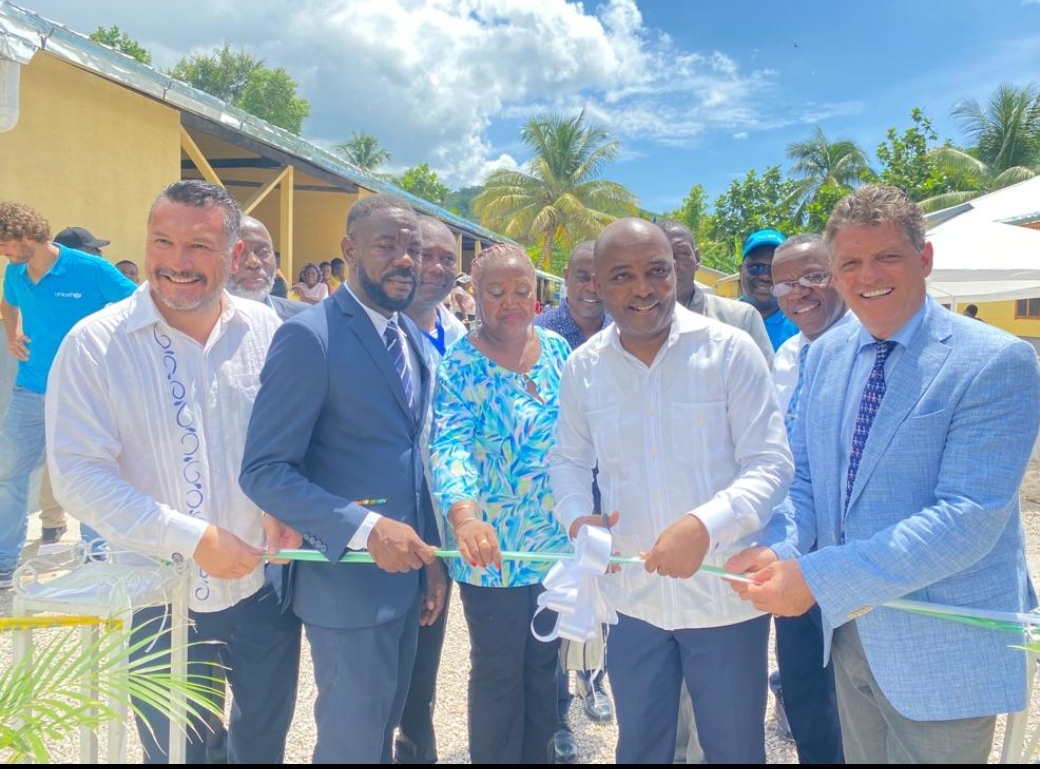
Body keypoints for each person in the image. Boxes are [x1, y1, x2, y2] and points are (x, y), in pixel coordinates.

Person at [726, 184, 1040, 764]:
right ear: (836, 273)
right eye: (850, 262)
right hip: (850, 638)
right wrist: (779, 547)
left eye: (887, 256)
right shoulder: (824, 354)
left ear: (925, 259)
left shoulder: (997, 361)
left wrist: (815, 578)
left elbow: (968, 519)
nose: (868, 275)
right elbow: (806, 480)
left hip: (943, 646)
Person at [45, 180, 301, 763]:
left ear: (235, 254)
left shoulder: (267, 333)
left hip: (262, 586)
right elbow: (78, 475)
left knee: (263, 745)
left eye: (199, 246)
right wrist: (193, 537)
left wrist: (284, 504)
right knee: (176, 752)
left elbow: (290, 441)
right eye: (162, 242)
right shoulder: (95, 344)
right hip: (156, 597)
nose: (176, 262)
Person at [549, 218, 793, 764]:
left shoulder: (729, 350)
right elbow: (567, 459)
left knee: (734, 750)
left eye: (657, 271)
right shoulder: (583, 367)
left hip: (724, 598)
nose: (643, 289)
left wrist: (706, 524)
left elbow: (771, 462)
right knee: (641, 748)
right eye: (622, 276)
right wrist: (577, 516)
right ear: (597, 285)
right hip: (633, 599)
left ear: (679, 272)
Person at [239, 194, 443, 764]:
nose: (406, 260)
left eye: (414, 248)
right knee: (351, 744)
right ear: (349, 250)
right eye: (387, 246)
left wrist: (431, 562)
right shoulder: (311, 337)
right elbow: (264, 471)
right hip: (347, 588)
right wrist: (366, 528)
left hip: (406, 580)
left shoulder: (409, 335)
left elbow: (414, 458)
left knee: (381, 733)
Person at [429, 242, 571, 764]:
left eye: (521, 290)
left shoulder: (558, 350)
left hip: (553, 546)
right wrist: (464, 516)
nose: (511, 302)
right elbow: (449, 445)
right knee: (497, 672)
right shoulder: (460, 364)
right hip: (491, 551)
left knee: (543, 668)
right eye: (496, 292)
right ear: (476, 292)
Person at [0, 203, 135, 588]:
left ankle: (96, 559)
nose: (2, 253)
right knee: (8, 474)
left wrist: (110, 349)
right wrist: (12, 334)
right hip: (30, 389)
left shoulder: (91, 269)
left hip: (83, 392)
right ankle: (4, 563)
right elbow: (8, 302)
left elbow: (139, 305)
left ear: (28, 236)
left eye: (5, 244)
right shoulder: (15, 272)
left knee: (89, 472)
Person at [764, 233, 848, 764]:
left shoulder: (868, 345)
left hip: (849, 552)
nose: (799, 292)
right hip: (794, 546)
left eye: (813, 276)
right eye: (785, 284)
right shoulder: (788, 353)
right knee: (803, 688)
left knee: (852, 696)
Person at [534, 240, 613, 763]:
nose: (591, 287)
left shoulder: (625, 329)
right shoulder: (543, 335)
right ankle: (558, 710)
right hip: (559, 495)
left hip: (613, 489)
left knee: (604, 596)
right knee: (561, 597)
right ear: (565, 278)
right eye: (581, 276)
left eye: (599, 277)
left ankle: (595, 680)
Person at [393, 214, 467, 766]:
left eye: (448, 259)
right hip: (389, 522)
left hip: (446, 523)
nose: (436, 268)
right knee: (379, 662)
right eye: (426, 254)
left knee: (426, 649)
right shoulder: (381, 332)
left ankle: (417, 745)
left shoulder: (460, 336)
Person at [658, 219, 773, 365]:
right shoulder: (633, 326)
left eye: (681, 253)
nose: (672, 264)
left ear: (697, 258)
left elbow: (765, 377)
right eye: (660, 255)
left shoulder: (741, 319)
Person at [227, 214, 307, 321]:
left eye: (263, 252)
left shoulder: (304, 319)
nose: (253, 262)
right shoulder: (205, 326)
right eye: (239, 253)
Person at [739, 228, 799, 352]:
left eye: (775, 269)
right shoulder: (720, 317)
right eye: (756, 267)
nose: (765, 277)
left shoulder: (802, 324)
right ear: (740, 270)